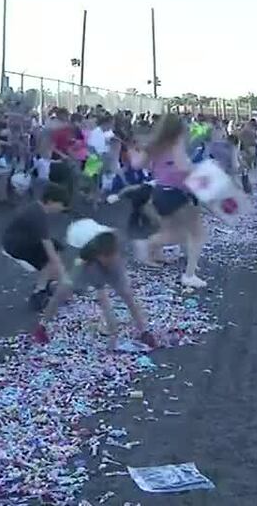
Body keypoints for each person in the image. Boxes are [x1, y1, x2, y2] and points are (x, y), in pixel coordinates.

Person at [32, 220, 158, 350]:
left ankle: (144, 331)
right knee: (62, 291)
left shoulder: (116, 253)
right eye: (106, 257)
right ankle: (42, 326)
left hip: (111, 266)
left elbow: (127, 294)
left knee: (127, 295)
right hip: (86, 265)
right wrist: (113, 337)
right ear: (99, 256)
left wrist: (143, 331)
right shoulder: (90, 261)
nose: (110, 259)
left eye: (112, 256)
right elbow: (104, 301)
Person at [143, 114, 207, 288]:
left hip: (159, 191)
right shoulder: (176, 142)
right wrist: (201, 169)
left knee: (173, 231)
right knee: (197, 233)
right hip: (177, 193)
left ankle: (151, 251)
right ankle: (189, 274)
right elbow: (183, 167)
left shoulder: (155, 145)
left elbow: (142, 165)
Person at [1, 183, 70, 310]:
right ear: (51, 201)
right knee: (50, 256)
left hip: (23, 240)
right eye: (61, 205)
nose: (62, 208)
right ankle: (39, 292)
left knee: (56, 247)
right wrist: (64, 279)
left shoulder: (37, 209)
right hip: (16, 245)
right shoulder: (38, 215)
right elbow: (50, 252)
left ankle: (48, 282)